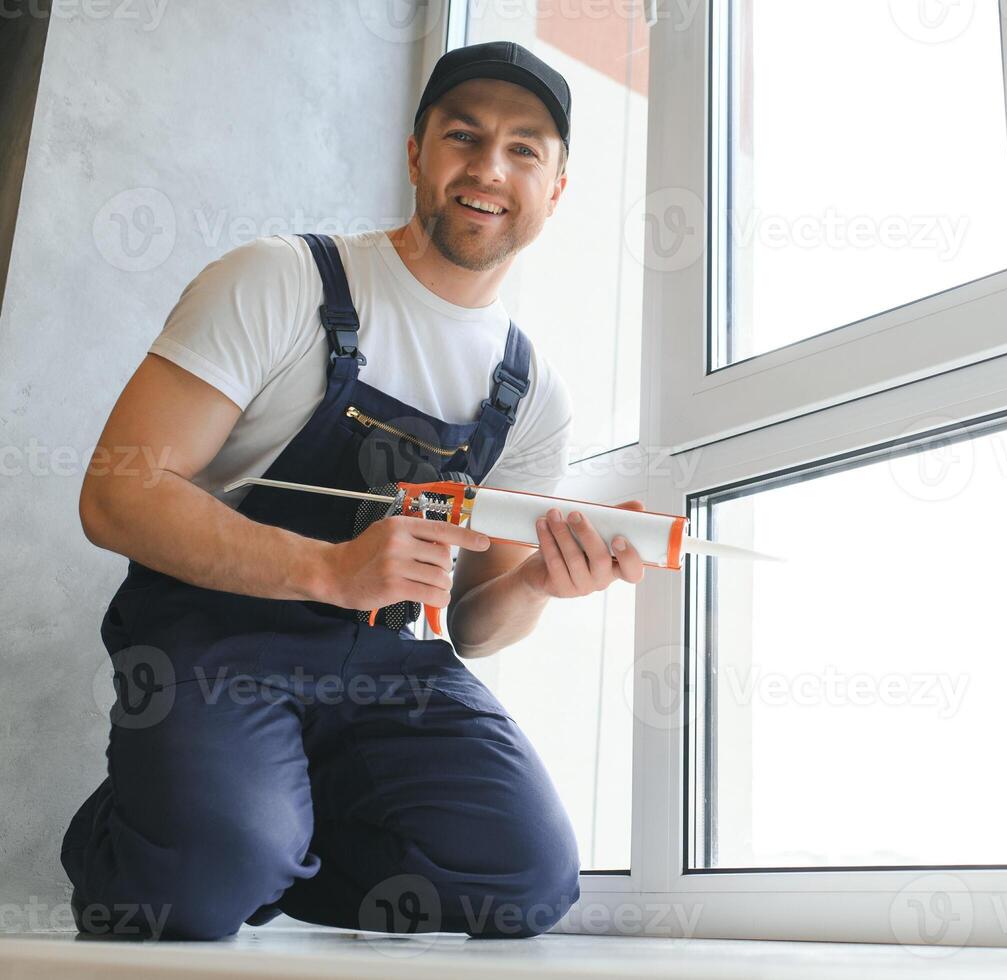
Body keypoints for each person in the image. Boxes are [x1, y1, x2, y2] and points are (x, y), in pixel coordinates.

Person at [61, 41, 645, 941]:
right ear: (416, 152)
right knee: (196, 890)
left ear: (556, 186)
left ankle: (242, 826)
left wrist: (537, 583)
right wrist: (335, 569)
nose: (489, 168)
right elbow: (117, 497)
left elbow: (474, 626)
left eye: (524, 149)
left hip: (384, 668)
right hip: (214, 635)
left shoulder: (530, 394)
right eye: (463, 135)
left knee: (524, 879)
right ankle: (164, 838)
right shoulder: (280, 280)